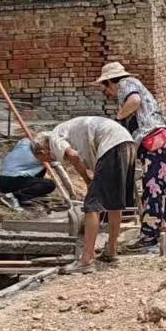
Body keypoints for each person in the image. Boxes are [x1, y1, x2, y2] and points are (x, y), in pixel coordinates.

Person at [35, 114, 134, 270]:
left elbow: (73, 156)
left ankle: (87, 258)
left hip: (111, 144)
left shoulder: (54, 137)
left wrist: (88, 181)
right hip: (126, 142)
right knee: (114, 202)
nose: (49, 160)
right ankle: (111, 250)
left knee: (91, 205)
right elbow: (78, 157)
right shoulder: (65, 131)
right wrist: (89, 180)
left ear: (42, 150)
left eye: (45, 159)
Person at [95, 60, 166, 248]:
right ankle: (164, 223)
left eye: (106, 88)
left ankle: (149, 236)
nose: (108, 93)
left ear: (109, 82)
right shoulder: (136, 85)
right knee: (161, 187)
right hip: (165, 139)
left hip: (155, 141)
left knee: (152, 188)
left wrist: (117, 119)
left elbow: (134, 101)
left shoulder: (125, 84)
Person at [0, 136, 56, 208]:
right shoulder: (32, 158)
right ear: (41, 152)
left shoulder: (25, 145)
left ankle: (28, 194)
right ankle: (12, 197)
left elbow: (25, 139)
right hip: (8, 182)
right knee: (49, 184)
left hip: (3, 179)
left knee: (43, 167)